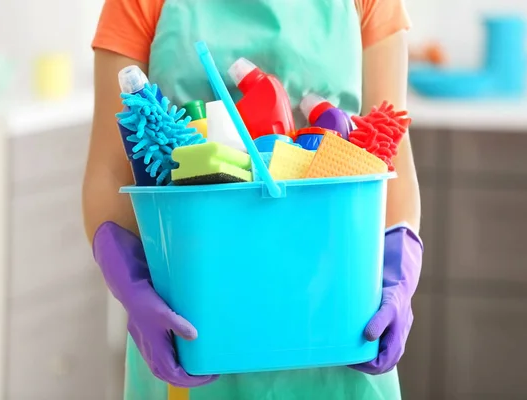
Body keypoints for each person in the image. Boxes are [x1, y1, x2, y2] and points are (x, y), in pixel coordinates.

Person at [83, 0, 423, 399]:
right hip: (192, 331)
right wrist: (132, 283)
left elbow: (390, 151)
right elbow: (109, 170)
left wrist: (398, 274)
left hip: (336, 327)